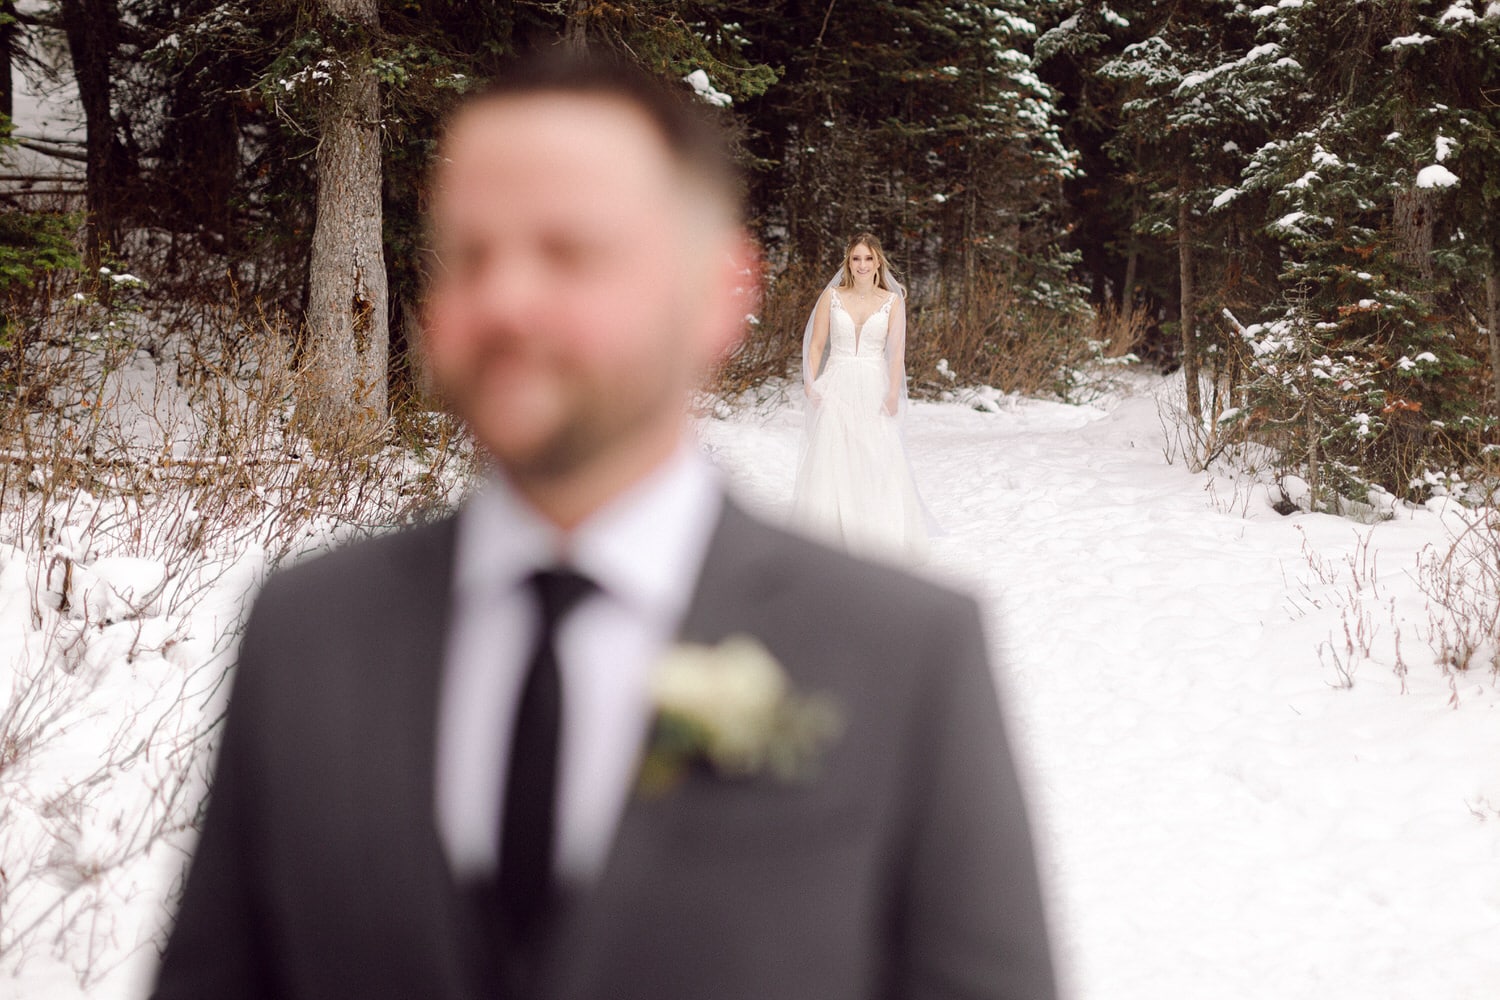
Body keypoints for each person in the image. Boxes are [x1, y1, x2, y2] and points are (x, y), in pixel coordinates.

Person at [150, 53, 1056, 1000]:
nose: (503, 300)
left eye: (569, 251)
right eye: (469, 254)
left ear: (716, 294)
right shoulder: (306, 634)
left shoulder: (908, 660)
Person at [791, 234, 931, 562]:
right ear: (848, 262)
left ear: (878, 262)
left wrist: (893, 392)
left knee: (876, 456)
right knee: (833, 456)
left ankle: (877, 536)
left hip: (873, 383)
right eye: (856, 259)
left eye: (868, 259)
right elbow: (815, 345)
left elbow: (896, 354)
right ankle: (830, 538)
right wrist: (810, 382)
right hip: (837, 382)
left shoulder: (892, 302)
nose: (863, 265)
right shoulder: (833, 297)